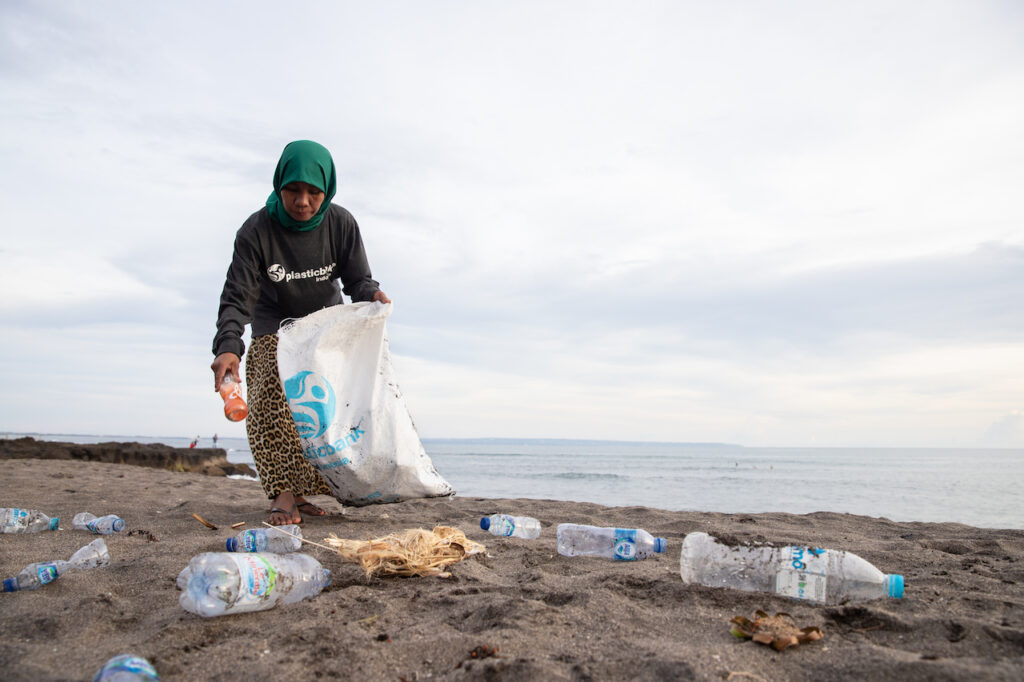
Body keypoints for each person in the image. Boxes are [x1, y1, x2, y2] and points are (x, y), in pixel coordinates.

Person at [210, 140, 390, 525]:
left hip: (325, 326)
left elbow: (357, 280)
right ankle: (282, 494)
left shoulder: (340, 224)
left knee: (318, 413)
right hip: (274, 322)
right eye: (293, 189)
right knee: (271, 403)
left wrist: (372, 294)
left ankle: (304, 493)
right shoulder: (256, 231)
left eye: (313, 191)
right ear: (279, 186)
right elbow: (237, 295)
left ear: (327, 191)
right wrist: (229, 346)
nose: (303, 201)